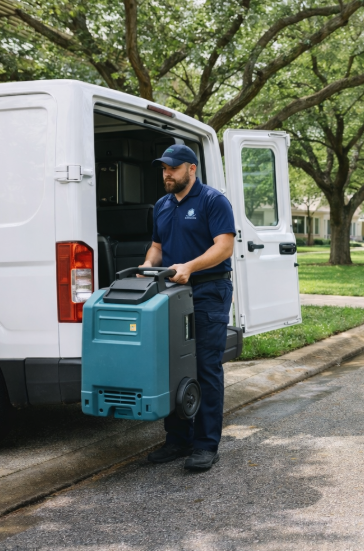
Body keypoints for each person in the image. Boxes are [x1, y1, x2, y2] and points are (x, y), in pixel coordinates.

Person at [141, 144, 236, 471]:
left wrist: (190, 267)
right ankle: (178, 440)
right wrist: (147, 265)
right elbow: (157, 247)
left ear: (191, 169)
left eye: (173, 168)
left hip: (209, 290)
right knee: (174, 365)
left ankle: (206, 445)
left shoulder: (213, 200)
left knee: (205, 366)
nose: (167, 173)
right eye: (163, 168)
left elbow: (224, 247)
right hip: (173, 293)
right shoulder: (162, 206)